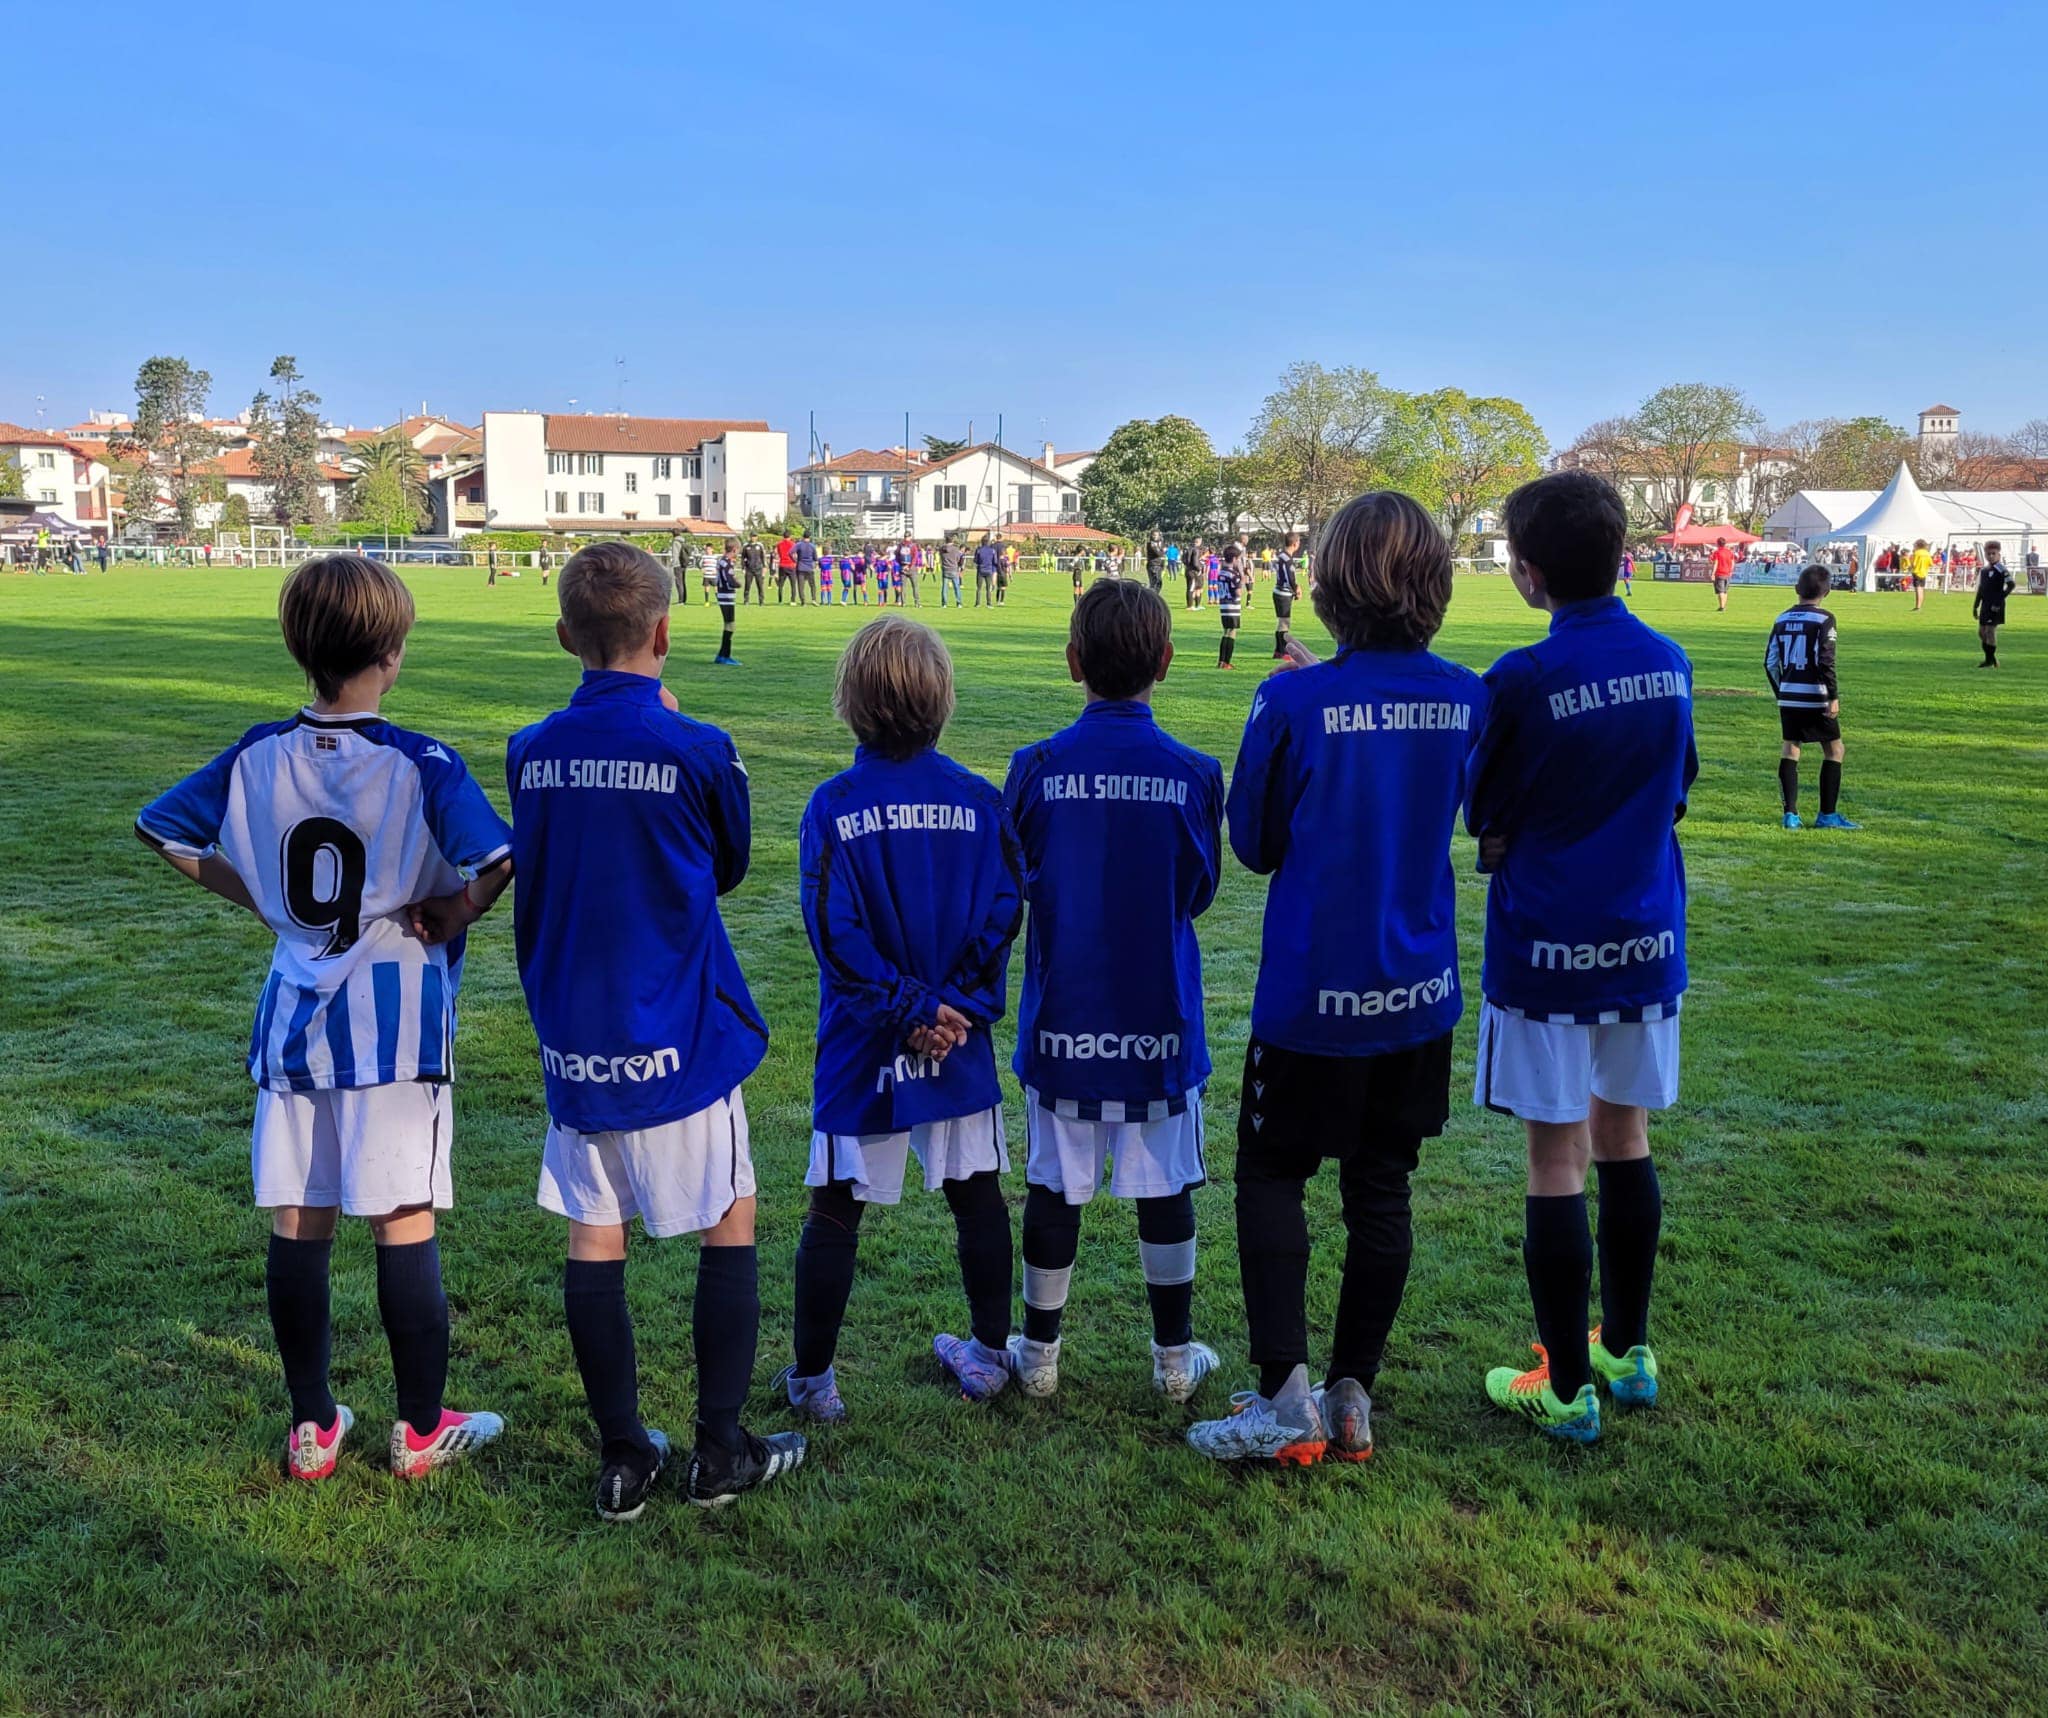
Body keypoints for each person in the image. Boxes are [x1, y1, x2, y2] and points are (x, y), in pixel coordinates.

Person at [133, 553, 513, 1483]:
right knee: (402, 1217)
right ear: (391, 650)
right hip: (395, 1025)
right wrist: (456, 910)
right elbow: (496, 860)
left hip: (294, 1016)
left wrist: (258, 899)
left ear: (302, 651)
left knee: (298, 1221)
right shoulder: (421, 759)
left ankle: (313, 1426)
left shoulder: (257, 752)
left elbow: (162, 828)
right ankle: (421, 1429)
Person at [507, 542, 803, 1518]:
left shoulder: (529, 747)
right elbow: (725, 865)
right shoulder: (698, 747)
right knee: (730, 1211)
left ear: (563, 638)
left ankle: (623, 1455)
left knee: (598, 1235)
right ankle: (719, 1445)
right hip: (673, 1023)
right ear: (666, 633)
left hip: (574, 1031)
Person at [1185, 493, 1482, 1466]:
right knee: (1380, 1184)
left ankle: (1283, 1398)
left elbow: (1255, 844)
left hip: (1312, 994)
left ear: (1326, 584)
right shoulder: (1465, 694)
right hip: (1416, 990)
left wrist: (1308, 702)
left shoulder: (1287, 700)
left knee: (1271, 1172)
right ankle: (1351, 1395)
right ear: (1433, 585)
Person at [1465, 471, 1693, 1444]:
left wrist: (1502, 832)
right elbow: (1674, 790)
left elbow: (1484, 809)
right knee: (1624, 1137)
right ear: (1621, 552)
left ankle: (1563, 1385)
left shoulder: (1520, 676)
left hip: (1546, 943)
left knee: (1553, 1154)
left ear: (1525, 573)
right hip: (1645, 935)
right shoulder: (1670, 660)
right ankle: (1626, 1350)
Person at [784, 617, 1025, 1418]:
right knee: (977, 1192)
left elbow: (834, 937)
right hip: (953, 1029)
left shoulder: (834, 805)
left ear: (849, 702)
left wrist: (911, 1007)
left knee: (835, 1206)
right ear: (943, 700)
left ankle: (813, 1382)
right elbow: (1002, 912)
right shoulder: (978, 800)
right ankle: (991, 1353)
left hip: (865, 1037)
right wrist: (949, 1006)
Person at [1003, 582, 1224, 1405]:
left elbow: (1018, 878)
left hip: (1065, 1017)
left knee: (1054, 1186)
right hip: (1158, 1017)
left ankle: (1039, 1357)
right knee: (1164, 1187)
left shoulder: (1034, 769)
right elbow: (1197, 892)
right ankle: (1173, 1363)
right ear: (1166, 663)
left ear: (1073, 663)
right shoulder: (1197, 774)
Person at [1766, 563, 1856, 831]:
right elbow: (1825, 660)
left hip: (1789, 695)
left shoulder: (1780, 619)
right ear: (1827, 592)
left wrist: (1782, 691)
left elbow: (1770, 661)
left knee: (1791, 747)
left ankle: (1790, 815)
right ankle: (1827, 815)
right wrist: (1833, 695)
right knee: (1834, 749)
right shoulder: (1824, 619)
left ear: (1797, 589)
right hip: (1816, 696)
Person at [1974, 539, 2014, 668]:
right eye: (1988, 554)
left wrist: (2000, 599)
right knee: (1981, 633)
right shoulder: (1984, 570)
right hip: (1985, 605)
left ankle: (1989, 661)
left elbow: (2011, 585)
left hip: (1996, 605)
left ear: (1998, 554)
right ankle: (1992, 658)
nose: (1991, 556)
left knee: (1990, 631)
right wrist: (1975, 605)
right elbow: (1981, 588)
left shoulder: (2001, 569)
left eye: (1993, 553)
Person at [1214, 543, 1245, 668]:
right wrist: (1242, 579)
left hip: (1223, 605)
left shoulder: (1221, 573)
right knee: (1232, 632)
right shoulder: (1233, 575)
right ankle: (1226, 662)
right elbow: (1238, 593)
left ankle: (1221, 660)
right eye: (1238, 559)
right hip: (1232, 606)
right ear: (1234, 559)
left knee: (1225, 632)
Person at [1270, 534, 1301, 658]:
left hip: (1278, 591)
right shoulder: (1287, 559)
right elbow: (1289, 577)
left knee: (1281, 622)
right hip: (1283, 592)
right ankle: (1283, 652)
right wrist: (1296, 590)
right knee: (1284, 623)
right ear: (1295, 544)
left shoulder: (1281, 556)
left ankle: (1278, 651)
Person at [713, 538, 741, 665]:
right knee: (730, 625)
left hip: (722, 595)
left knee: (728, 625)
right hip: (727, 597)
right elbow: (729, 580)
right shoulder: (727, 563)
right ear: (734, 549)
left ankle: (721, 655)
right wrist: (738, 584)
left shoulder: (721, 561)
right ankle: (725, 656)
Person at [1708, 536, 1736, 612]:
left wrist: (1713, 573)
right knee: (1725, 591)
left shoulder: (1717, 552)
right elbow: (1733, 563)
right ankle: (1724, 606)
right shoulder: (1730, 552)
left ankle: (1721, 607)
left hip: (1720, 573)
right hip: (1727, 574)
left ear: (1718, 544)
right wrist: (1731, 571)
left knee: (1720, 591)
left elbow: (1715, 563)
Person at [794, 529, 820, 606]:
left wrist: (795, 560)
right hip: (809, 568)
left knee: (801, 586)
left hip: (800, 567)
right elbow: (815, 558)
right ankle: (814, 599)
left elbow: (790, 552)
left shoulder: (799, 544)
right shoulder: (812, 546)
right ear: (810, 537)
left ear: (803, 536)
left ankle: (803, 602)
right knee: (812, 585)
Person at [973, 535, 1000, 607]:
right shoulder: (992, 550)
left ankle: (977, 603)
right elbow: (995, 561)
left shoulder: (978, 550)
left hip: (980, 570)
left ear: (981, 541)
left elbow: (975, 560)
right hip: (989, 570)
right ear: (988, 542)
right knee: (988, 588)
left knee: (979, 588)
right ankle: (989, 603)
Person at [740, 536, 767, 605]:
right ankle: (746, 600)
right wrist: (743, 568)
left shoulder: (760, 545)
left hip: (758, 569)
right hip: (749, 569)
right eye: (752, 536)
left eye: (755, 536)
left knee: (760, 586)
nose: (753, 538)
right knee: (747, 585)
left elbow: (763, 557)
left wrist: (764, 567)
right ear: (750, 537)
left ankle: (761, 601)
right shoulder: (746, 546)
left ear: (757, 537)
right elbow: (743, 557)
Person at [1908, 538, 1933, 611]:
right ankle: (1919, 606)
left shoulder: (1917, 553)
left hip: (1917, 572)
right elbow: (1931, 564)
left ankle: (1917, 607)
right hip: (1924, 573)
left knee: (1918, 589)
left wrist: (1910, 568)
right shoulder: (1927, 553)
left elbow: (1914, 564)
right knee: (1921, 589)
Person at [940, 538, 965, 607]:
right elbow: (958, 559)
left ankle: (944, 603)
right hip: (954, 569)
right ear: (952, 541)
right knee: (956, 587)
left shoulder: (942, 549)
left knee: (945, 588)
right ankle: (959, 603)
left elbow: (941, 557)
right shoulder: (955, 549)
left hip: (945, 570)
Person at [775, 530, 797, 604]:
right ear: (790, 536)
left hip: (782, 565)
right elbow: (794, 554)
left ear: (783, 536)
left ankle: (780, 600)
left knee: (780, 584)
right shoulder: (793, 544)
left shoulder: (779, 544)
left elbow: (779, 553)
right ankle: (793, 600)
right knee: (793, 584)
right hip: (791, 565)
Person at [1184, 539, 1204, 609]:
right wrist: (1199, 569)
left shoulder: (1188, 549)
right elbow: (1195, 562)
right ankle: (1190, 606)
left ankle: (1197, 605)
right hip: (1193, 572)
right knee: (1192, 588)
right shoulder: (1195, 550)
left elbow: (1184, 560)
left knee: (1197, 587)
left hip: (1189, 570)